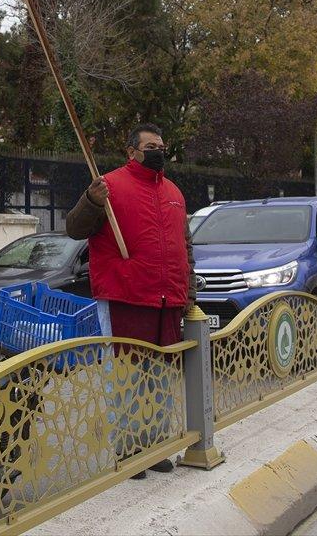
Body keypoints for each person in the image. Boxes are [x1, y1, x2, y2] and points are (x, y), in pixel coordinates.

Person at [66, 123, 195, 479]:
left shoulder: (173, 192)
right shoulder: (107, 187)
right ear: (131, 150)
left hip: (167, 299)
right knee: (125, 376)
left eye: (162, 144)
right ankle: (127, 449)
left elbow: (185, 245)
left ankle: (155, 445)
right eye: (151, 145)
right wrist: (90, 201)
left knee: (160, 376)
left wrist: (188, 291)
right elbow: (75, 228)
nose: (158, 150)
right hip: (126, 296)